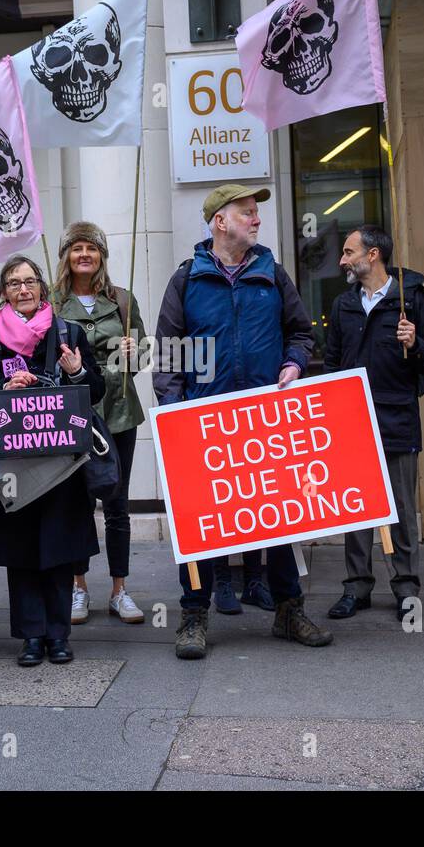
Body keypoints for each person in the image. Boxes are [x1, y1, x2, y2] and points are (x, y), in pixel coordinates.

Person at [154, 183, 333, 659]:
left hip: (265, 421)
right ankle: (194, 615)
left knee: (280, 517)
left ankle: (288, 610)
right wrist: (174, 411)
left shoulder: (271, 273)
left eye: (256, 213)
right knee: (201, 521)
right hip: (204, 421)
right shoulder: (187, 279)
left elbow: (300, 330)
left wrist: (294, 362)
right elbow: (168, 354)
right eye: (247, 213)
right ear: (220, 222)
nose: (256, 220)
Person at [0, 255, 105, 666]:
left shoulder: (69, 333)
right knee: (21, 549)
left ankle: (59, 635)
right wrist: (4, 385)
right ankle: (31, 636)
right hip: (11, 464)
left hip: (61, 463)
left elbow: (95, 390)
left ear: (43, 289)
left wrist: (78, 370)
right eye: (14, 283)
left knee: (59, 547)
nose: (23, 289)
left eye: (30, 282)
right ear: (4, 292)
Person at [324, 225, 424, 621]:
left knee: (401, 509)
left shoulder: (411, 299)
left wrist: (415, 343)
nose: (342, 260)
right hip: (352, 419)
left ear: (372, 255)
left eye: (348, 252)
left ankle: (406, 587)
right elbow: (332, 362)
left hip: (397, 416)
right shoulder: (343, 304)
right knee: (356, 508)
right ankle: (356, 587)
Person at [53, 221, 147, 625]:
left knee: (117, 504)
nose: (84, 255)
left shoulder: (123, 301)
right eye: (77, 249)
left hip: (120, 411)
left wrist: (134, 350)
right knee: (78, 504)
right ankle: (78, 587)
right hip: (76, 416)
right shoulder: (52, 304)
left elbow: (143, 359)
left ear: (102, 256)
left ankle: (120, 590)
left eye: (92, 248)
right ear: (67, 257)